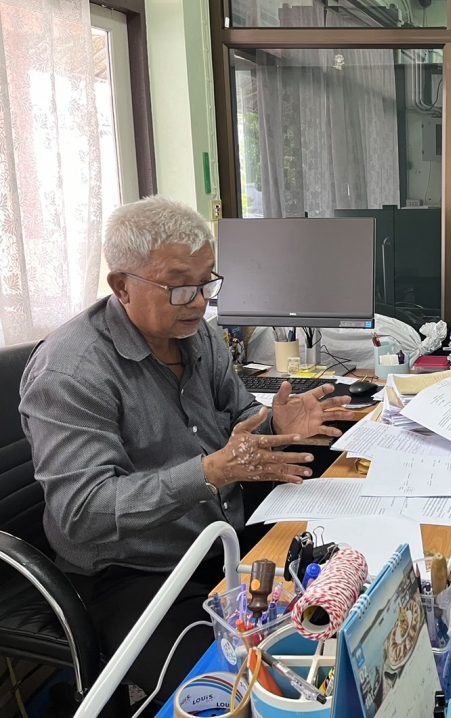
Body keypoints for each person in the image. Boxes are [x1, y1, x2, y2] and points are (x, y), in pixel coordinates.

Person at [19, 195, 351, 704]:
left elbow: (239, 420)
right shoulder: (71, 372)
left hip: (218, 537)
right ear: (121, 286)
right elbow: (81, 512)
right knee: (241, 692)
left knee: (331, 625)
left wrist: (274, 424)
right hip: (132, 573)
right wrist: (209, 472)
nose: (197, 302)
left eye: (206, 283)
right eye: (178, 286)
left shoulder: (199, 337)